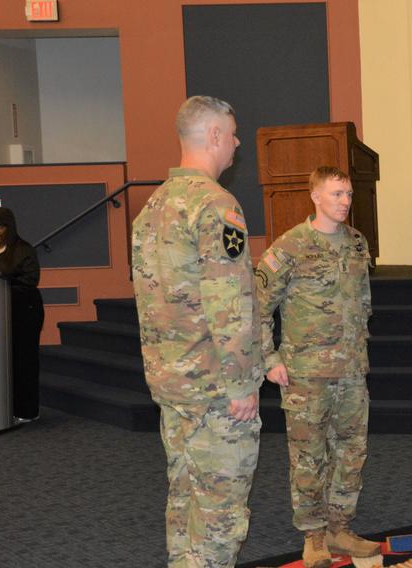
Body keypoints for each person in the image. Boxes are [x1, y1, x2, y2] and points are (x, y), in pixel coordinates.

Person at [131, 95, 262, 568]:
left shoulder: (152, 206)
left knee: (184, 498)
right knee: (220, 513)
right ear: (212, 137)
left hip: (172, 382)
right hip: (215, 389)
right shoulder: (216, 206)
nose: (236, 142)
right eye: (232, 133)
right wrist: (242, 384)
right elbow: (229, 306)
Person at [256, 166, 378, 568]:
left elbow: (362, 303)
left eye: (347, 194)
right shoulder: (289, 247)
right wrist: (269, 358)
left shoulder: (358, 244)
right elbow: (258, 308)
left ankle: (339, 527)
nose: (344, 201)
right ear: (315, 197)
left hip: (351, 371)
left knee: (351, 452)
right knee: (308, 456)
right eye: (336, 194)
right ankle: (313, 535)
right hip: (305, 373)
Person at [0, 207, 44, 422]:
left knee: (23, 360)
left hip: (24, 311)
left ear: (10, 227)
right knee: (1, 361)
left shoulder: (24, 250)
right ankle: (4, 408)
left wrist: (3, 287)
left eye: (0, 226)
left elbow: (30, 280)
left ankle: (27, 411)